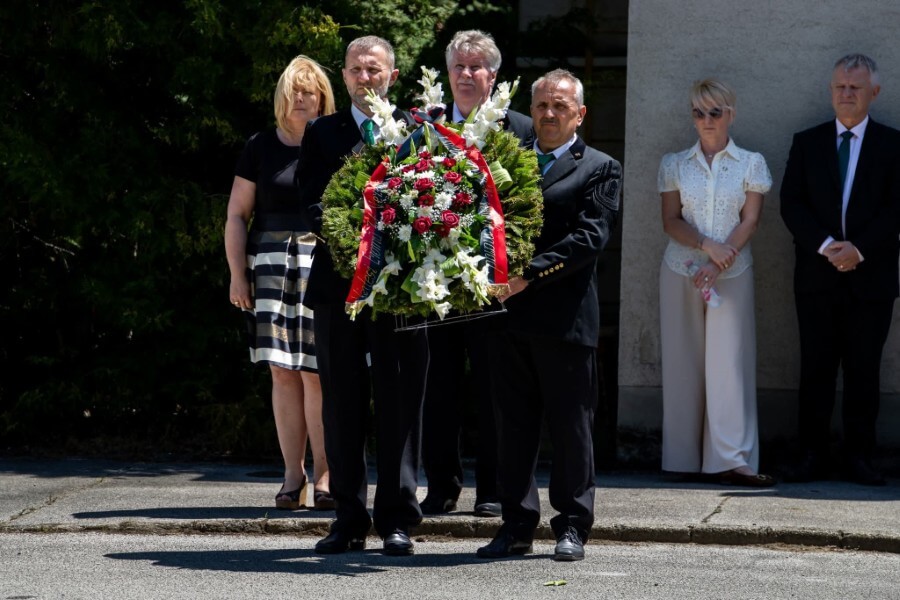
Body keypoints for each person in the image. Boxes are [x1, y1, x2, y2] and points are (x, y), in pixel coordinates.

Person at [476, 69, 621, 562]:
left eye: (561, 106)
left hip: (564, 320)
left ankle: (573, 525)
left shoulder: (600, 167)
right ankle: (516, 525)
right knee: (512, 427)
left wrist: (528, 274)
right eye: (541, 105)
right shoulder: (506, 161)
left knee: (570, 428)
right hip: (507, 318)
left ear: (580, 114)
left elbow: (590, 237)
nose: (549, 114)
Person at [296, 36, 428, 556]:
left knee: (400, 403)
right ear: (344, 75)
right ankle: (348, 518)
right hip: (338, 286)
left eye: (374, 69)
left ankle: (398, 520)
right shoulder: (322, 132)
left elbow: (436, 201)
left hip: (402, 290)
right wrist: (352, 241)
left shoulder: (418, 130)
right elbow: (308, 201)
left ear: (392, 75)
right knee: (341, 404)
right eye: (355, 69)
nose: (364, 77)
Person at [419, 29, 533, 519]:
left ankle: (493, 488)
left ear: (493, 74)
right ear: (448, 74)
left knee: (495, 388)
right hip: (435, 281)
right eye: (459, 67)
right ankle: (441, 486)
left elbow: (529, 204)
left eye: (476, 66)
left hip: (495, 283)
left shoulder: (521, 129)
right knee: (437, 387)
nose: (466, 75)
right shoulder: (425, 124)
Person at [780, 54, 900, 486]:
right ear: (831, 91)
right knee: (816, 367)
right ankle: (811, 454)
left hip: (872, 278)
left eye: (855, 87)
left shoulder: (893, 145)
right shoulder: (807, 142)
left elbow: (896, 207)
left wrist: (859, 249)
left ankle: (860, 457)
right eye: (840, 87)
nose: (846, 94)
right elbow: (791, 203)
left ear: (874, 92)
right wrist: (828, 247)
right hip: (817, 275)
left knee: (864, 369)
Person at [224, 56, 336, 511]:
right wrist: (237, 275)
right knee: (281, 372)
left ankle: (326, 475)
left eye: (310, 91)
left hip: (321, 264)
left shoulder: (335, 143)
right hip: (268, 266)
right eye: (294, 91)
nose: (301, 99)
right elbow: (236, 215)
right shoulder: (260, 146)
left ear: (323, 99)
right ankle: (294, 475)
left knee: (316, 372)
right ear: (281, 98)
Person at [656, 79, 774, 488]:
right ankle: (682, 457)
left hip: (732, 272)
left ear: (731, 114)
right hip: (681, 268)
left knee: (729, 364)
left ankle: (732, 460)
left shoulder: (751, 163)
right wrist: (706, 246)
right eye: (698, 112)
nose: (706, 120)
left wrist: (721, 260)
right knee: (682, 362)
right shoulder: (674, 163)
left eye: (715, 112)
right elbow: (670, 220)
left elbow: (750, 220)